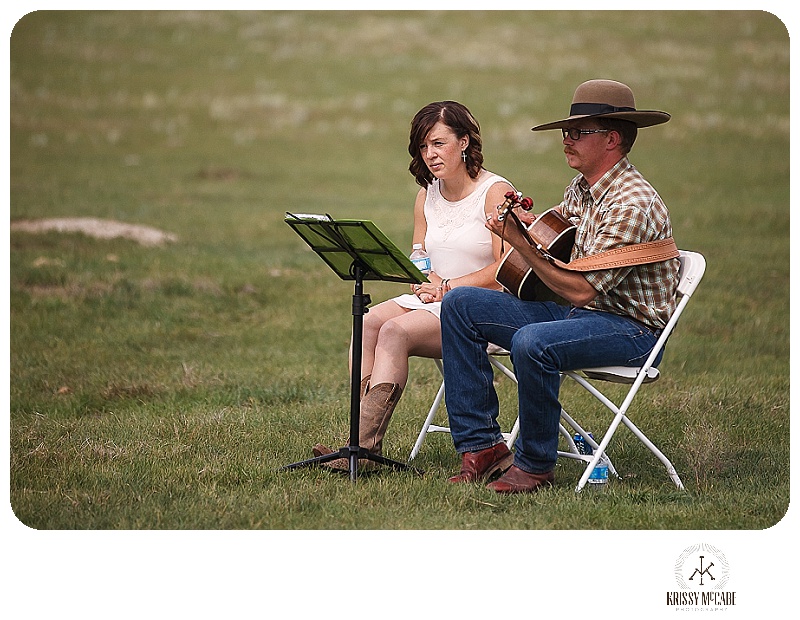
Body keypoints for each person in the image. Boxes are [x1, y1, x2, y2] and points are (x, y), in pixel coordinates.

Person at [440, 79, 680, 493]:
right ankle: (482, 447)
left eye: (577, 132)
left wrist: (517, 242)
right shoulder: (584, 187)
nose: (566, 139)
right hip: (581, 314)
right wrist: (525, 226)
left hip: (632, 329)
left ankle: (535, 466)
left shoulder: (631, 203)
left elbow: (581, 290)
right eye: (566, 131)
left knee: (533, 342)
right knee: (460, 304)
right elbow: (554, 239)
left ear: (612, 139)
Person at [312, 101, 519, 468]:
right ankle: (359, 441)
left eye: (438, 143)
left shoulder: (495, 192)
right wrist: (421, 280)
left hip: (478, 307)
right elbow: (418, 255)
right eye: (424, 147)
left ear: (465, 142)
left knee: (394, 331)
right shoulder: (427, 194)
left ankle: (362, 448)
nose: (430, 155)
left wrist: (449, 286)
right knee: (368, 321)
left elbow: (505, 268)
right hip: (434, 297)